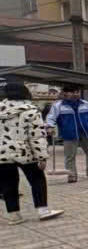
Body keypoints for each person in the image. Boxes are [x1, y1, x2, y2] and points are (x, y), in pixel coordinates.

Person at [0, 81, 63, 224]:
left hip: (2, 153)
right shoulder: (31, 110)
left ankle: (14, 216)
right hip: (25, 152)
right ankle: (42, 211)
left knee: (8, 183)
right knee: (37, 179)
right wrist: (42, 157)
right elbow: (37, 136)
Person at [45, 84, 88, 183]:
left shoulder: (85, 104)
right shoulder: (58, 106)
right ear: (65, 93)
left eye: (77, 92)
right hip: (69, 133)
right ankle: (71, 175)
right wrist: (50, 126)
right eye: (73, 92)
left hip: (86, 132)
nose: (76, 94)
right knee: (70, 156)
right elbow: (51, 117)